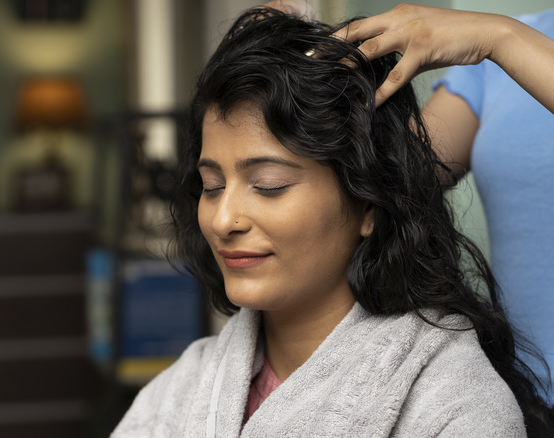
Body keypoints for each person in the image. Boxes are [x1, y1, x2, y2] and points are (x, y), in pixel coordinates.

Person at [112, 7, 553, 437]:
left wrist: (502, 37)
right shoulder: (180, 390)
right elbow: (402, 168)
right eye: (211, 185)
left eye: (268, 185)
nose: (223, 220)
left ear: (368, 206)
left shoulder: (450, 403)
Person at [335, 3, 554, 401]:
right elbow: (395, 179)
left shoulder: (502, 40)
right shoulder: (502, 56)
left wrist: (502, 38)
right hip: (520, 399)